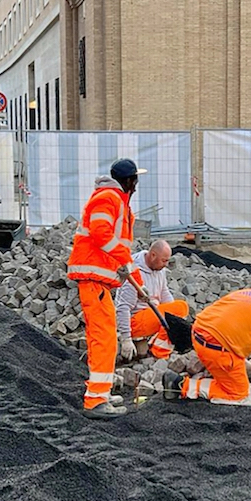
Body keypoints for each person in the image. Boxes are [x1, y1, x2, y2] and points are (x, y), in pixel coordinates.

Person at [67, 158, 147, 420]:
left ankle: (99, 391)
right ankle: (95, 401)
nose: (136, 185)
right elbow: (102, 234)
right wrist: (128, 264)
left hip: (99, 278)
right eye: (135, 179)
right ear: (128, 181)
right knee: (103, 337)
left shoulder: (115, 199)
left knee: (103, 336)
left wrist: (122, 266)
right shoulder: (108, 198)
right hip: (93, 278)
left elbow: (109, 239)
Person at [162, 273, 251, 407]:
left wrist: (246, 363)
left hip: (197, 335)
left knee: (229, 361)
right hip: (216, 347)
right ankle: (181, 385)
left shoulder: (243, 294)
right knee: (244, 396)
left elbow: (230, 329)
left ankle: (220, 369)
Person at [115, 239, 189, 361]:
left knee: (176, 311)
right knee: (182, 307)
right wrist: (126, 339)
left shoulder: (158, 268)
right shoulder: (134, 271)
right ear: (153, 255)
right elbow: (123, 308)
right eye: (164, 260)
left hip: (149, 314)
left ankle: (155, 343)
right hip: (135, 321)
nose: (165, 264)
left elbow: (164, 292)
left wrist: (175, 318)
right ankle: (160, 351)